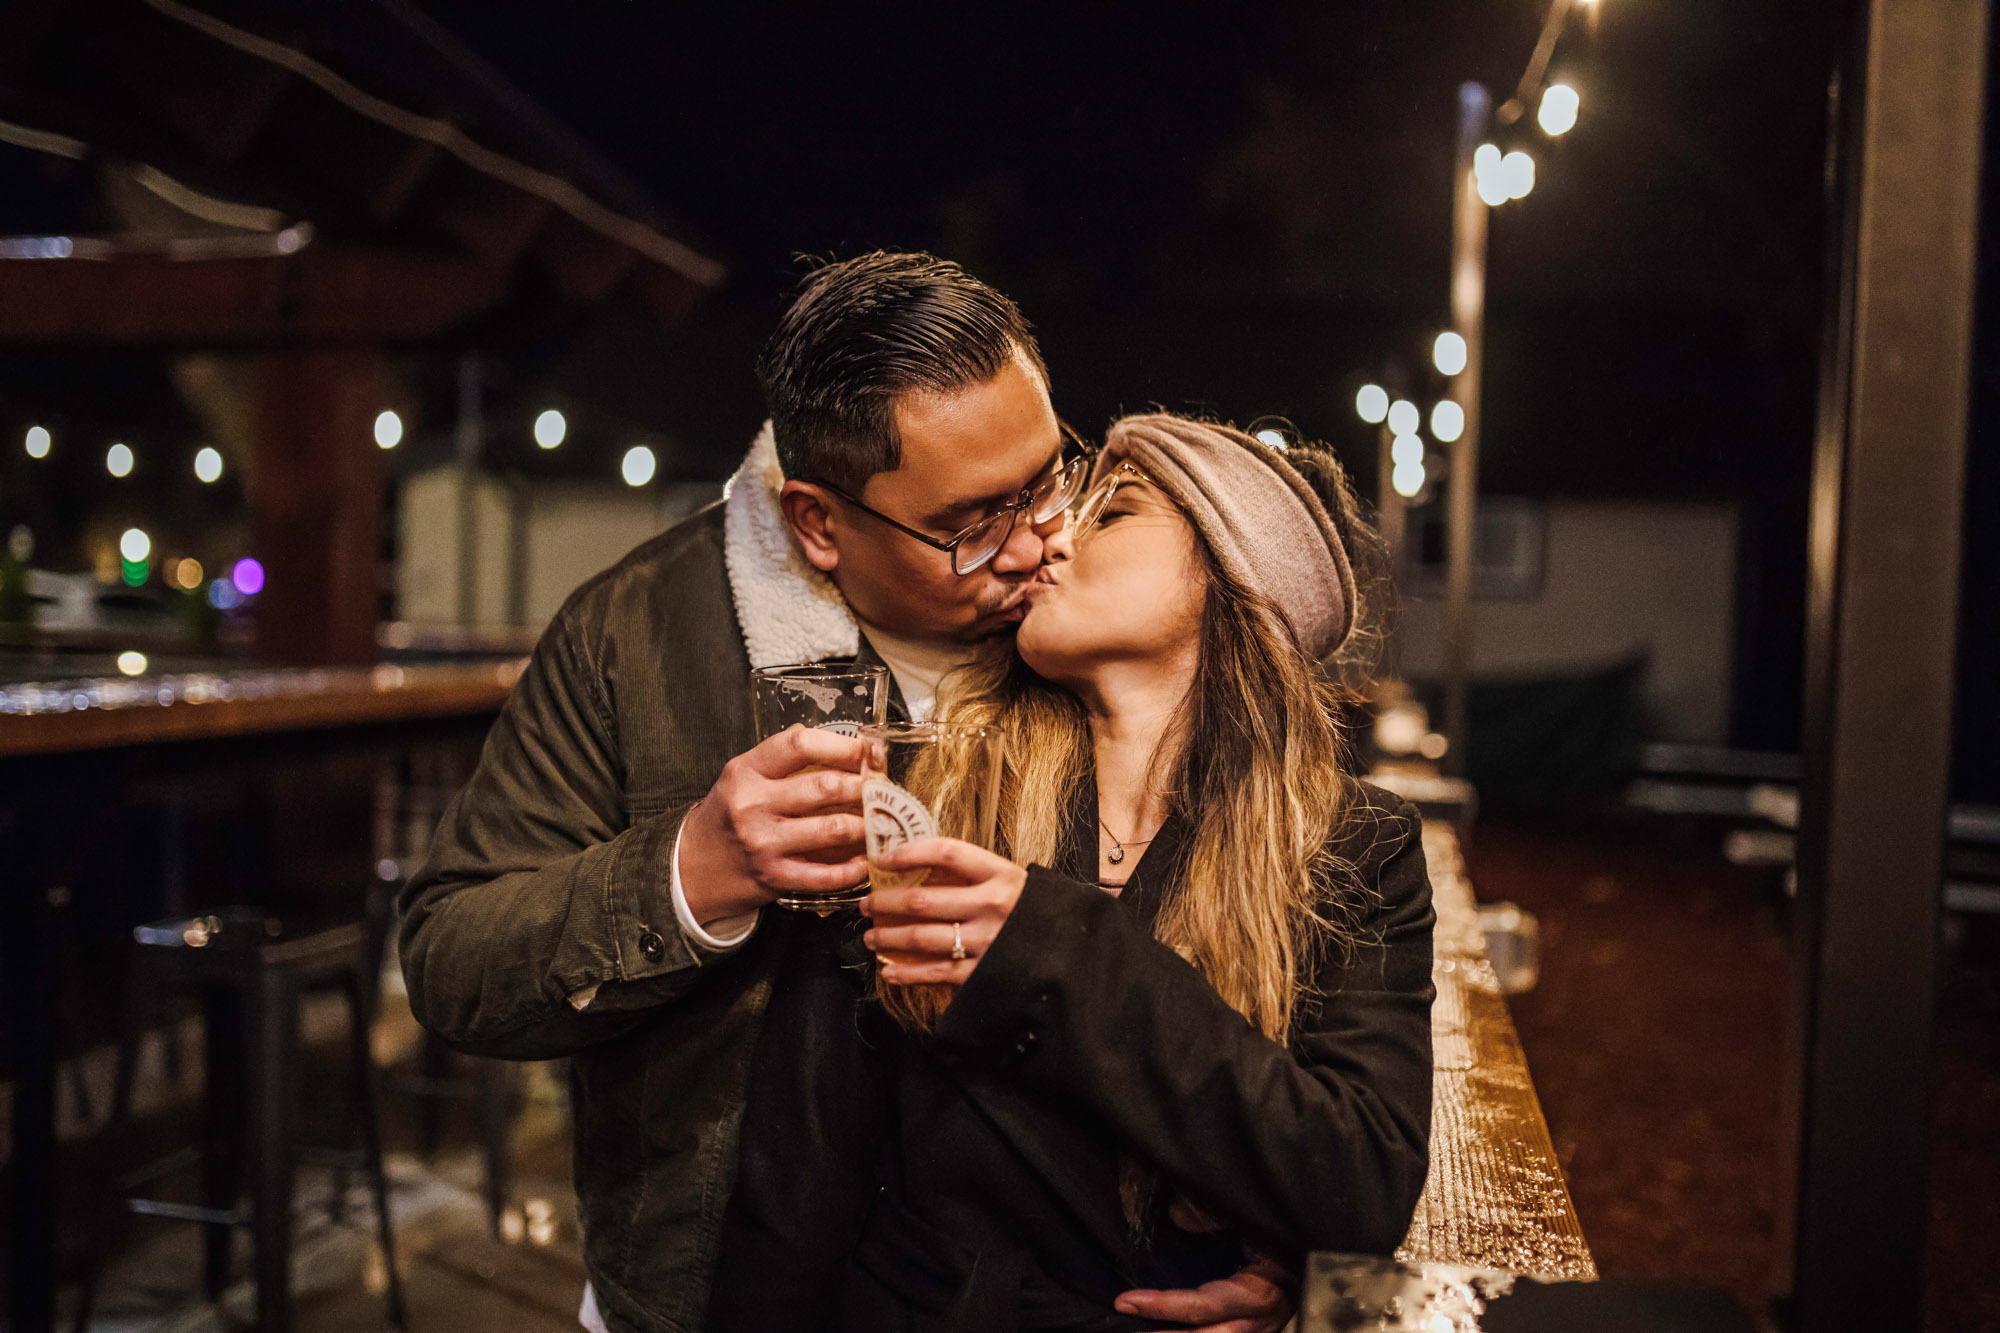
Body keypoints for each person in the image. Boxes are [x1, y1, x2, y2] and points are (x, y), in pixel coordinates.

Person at [398, 255, 1297, 1332]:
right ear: (817, 524)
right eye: (972, 524)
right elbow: (452, 957)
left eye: (1047, 476)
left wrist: (1277, 1230)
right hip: (715, 1293)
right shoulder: (633, 632)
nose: (1038, 545)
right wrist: (687, 874)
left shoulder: (1098, 618)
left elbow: (1264, 916)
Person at [846, 414, 1436, 1330]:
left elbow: (1359, 1182)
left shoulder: (1351, 843)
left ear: (1232, 575)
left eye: (1112, 511)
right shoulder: (935, 786)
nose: (1053, 537)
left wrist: (1061, 948)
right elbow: (811, 1141)